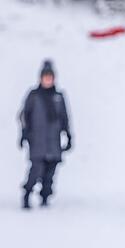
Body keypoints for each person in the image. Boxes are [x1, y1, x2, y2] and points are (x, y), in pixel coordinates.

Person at [18, 59, 72, 209]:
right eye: (45, 77)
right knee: (36, 170)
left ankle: (45, 196)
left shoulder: (59, 97)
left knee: (50, 174)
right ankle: (27, 194)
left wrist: (68, 135)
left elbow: (65, 118)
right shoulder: (34, 96)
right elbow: (24, 116)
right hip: (37, 141)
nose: (48, 80)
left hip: (53, 142)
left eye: (50, 77)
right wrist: (24, 134)